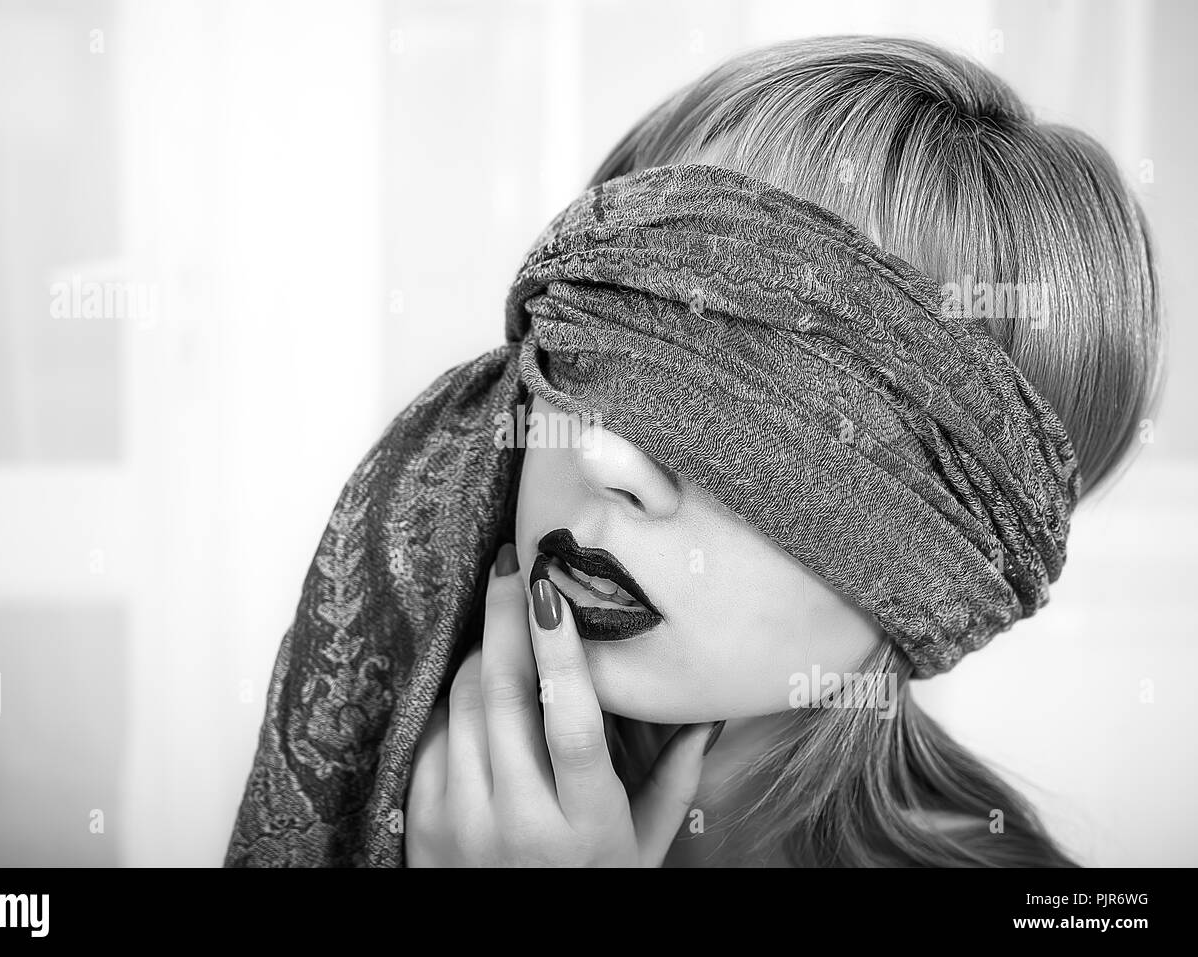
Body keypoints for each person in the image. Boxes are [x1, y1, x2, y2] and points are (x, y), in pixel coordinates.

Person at [226, 36, 1161, 868]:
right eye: (602, 341)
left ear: (960, 558)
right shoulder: (389, 755)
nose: (605, 456)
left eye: (766, 406)